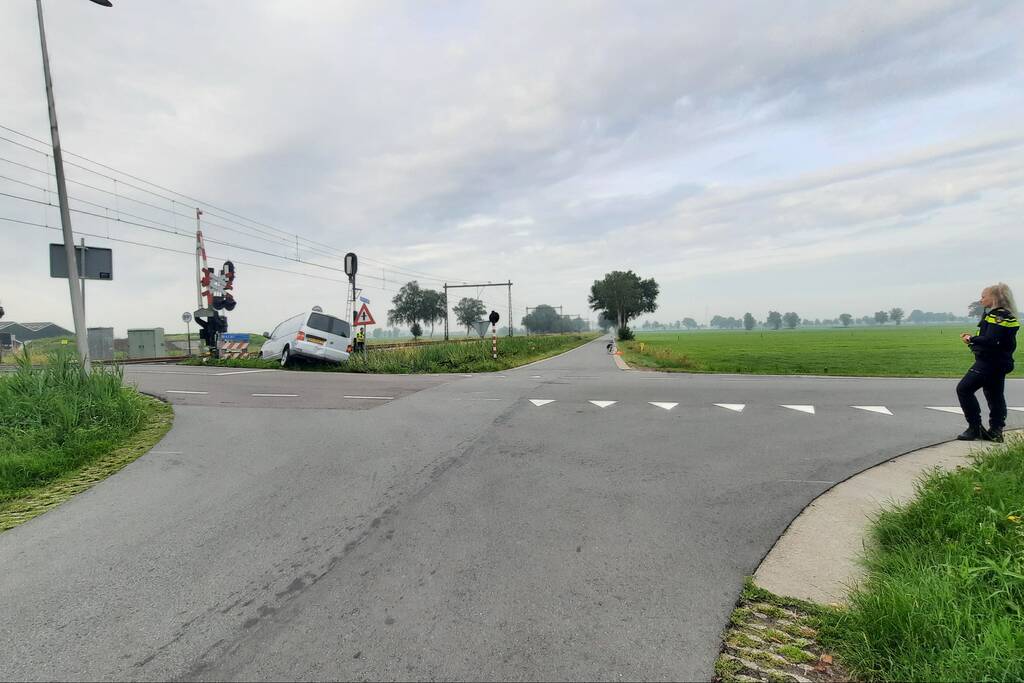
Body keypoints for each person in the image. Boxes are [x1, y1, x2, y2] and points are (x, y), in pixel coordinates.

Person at [956, 283, 1018, 442]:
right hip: (1000, 362)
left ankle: (974, 428)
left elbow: (992, 341)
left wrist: (971, 338)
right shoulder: (1006, 315)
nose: (981, 300)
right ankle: (996, 431)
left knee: (964, 389)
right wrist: (973, 343)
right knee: (994, 394)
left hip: (990, 362)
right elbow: (998, 341)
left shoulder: (997, 316)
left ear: (995, 298)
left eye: (984, 296)